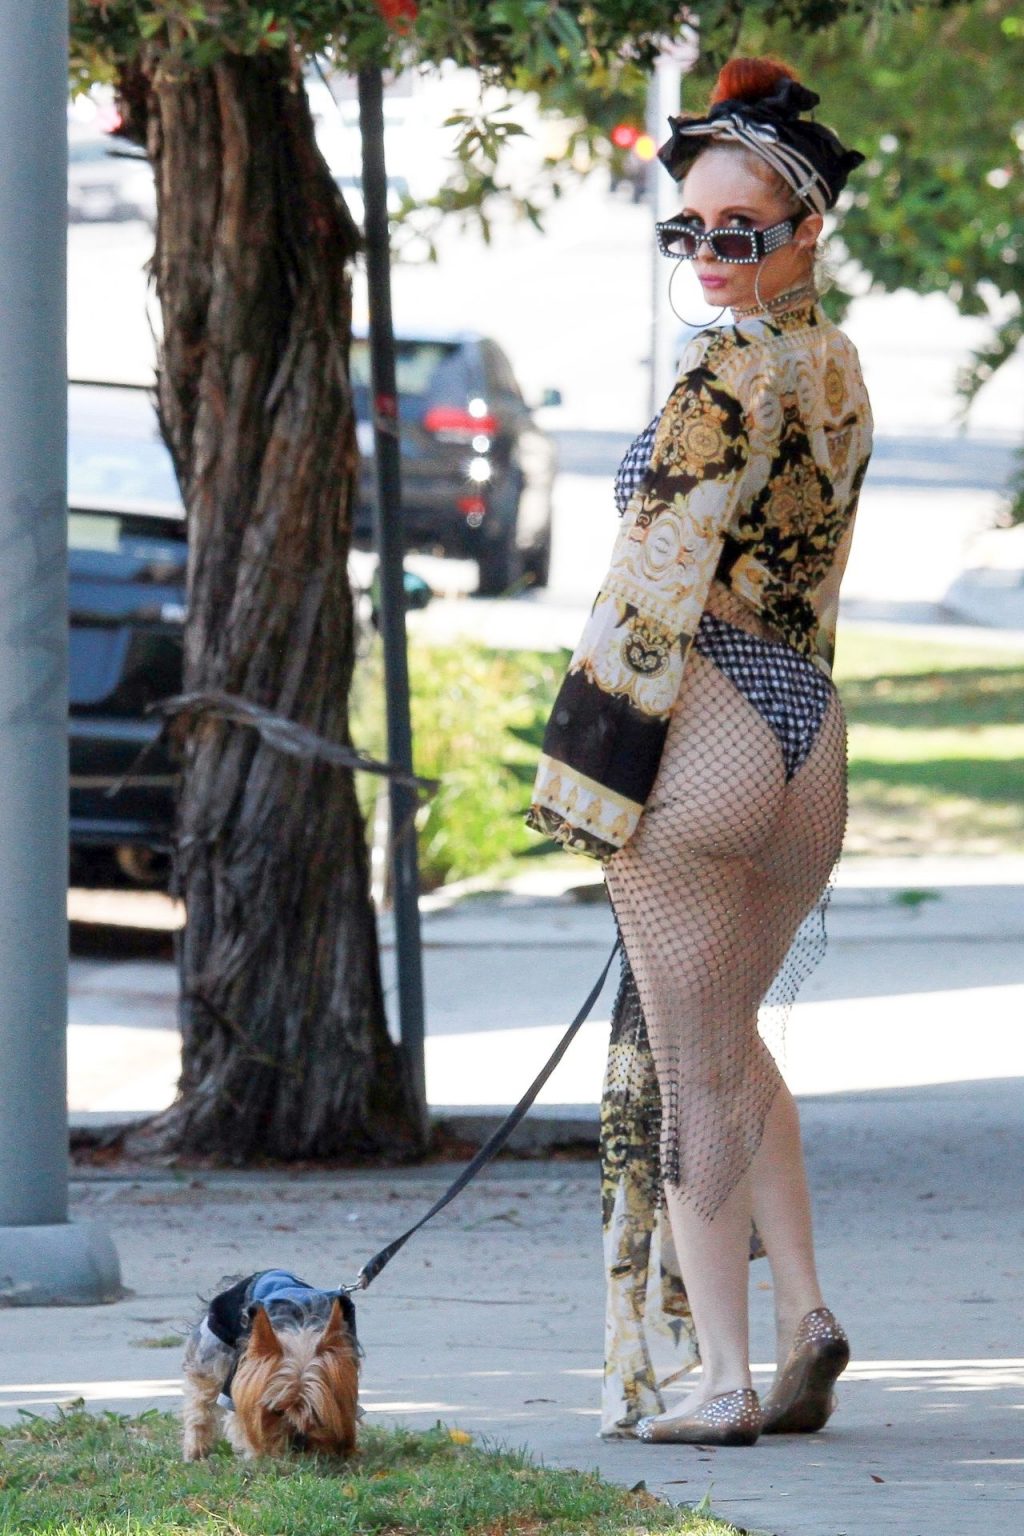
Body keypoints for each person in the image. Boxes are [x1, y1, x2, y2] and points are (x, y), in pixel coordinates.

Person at [527, 55, 873, 1446]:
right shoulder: (834, 363)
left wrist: (583, 774)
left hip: (713, 723)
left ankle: (721, 1380)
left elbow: (649, 590)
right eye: (692, 232)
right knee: (733, 1041)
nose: (712, 255)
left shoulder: (720, 379)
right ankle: (806, 1318)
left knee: (691, 1070)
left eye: (741, 231)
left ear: (804, 231)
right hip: (809, 725)